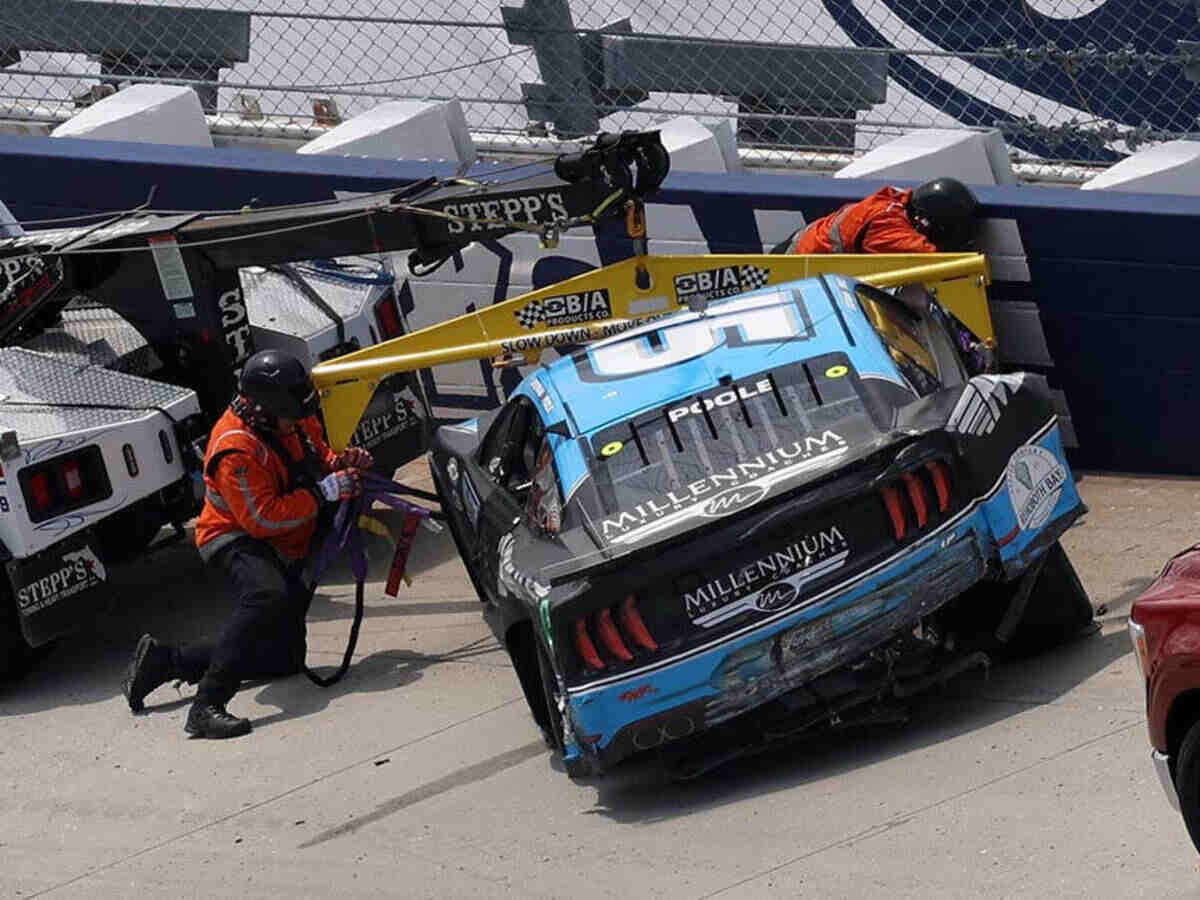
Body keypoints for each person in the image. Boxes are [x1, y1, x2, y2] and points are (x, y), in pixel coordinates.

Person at [121, 349, 374, 739]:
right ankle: (207, 705)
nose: (298, 421)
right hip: (232, 535)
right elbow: (262, 519)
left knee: (283, 658)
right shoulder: (235, 448)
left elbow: (315, 454)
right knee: (266, 595)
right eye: (291, 415)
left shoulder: (292, 414)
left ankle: (167, 661)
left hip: (282, 533)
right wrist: (324, 493)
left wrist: (339, 464)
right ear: (266, 408)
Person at [778, 177, 979, 256]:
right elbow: (937, 262)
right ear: (925, 223)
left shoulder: (897, 201)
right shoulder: (887, 227)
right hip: (789, 271)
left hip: (802, 256)